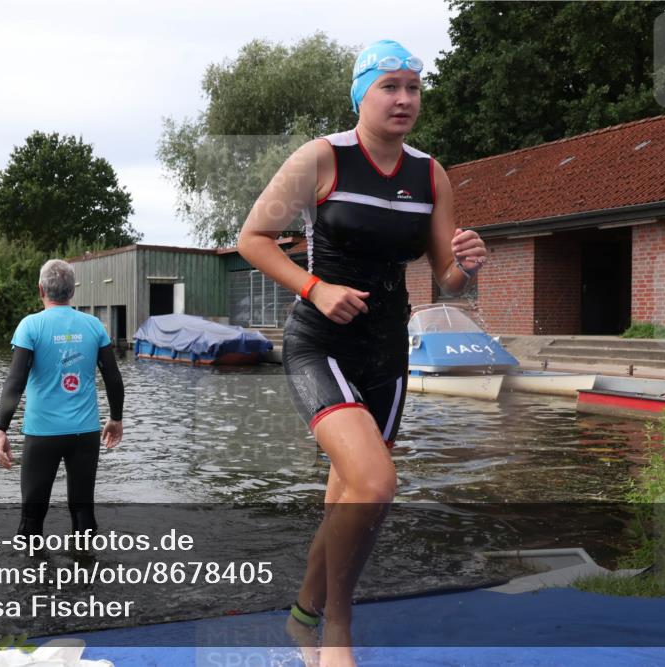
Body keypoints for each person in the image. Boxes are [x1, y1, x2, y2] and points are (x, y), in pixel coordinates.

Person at [236, 40, 486, 667]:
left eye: (413, 88)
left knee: (350, 493)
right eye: (389, 87)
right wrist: (315, 289)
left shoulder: (430, 174)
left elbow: (447, 276)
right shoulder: (321, 157)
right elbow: (252, 239)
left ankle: (301, 616)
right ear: (361, 94)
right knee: (375, 484)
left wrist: (470, 267)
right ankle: (335, 632)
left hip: (386, 353)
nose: (404, 100)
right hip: (320, 343)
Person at [0, 259, 125, 537]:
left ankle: (32, 577)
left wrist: (1, 429)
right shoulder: (94, 326)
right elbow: (113, 377)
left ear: (41, 289)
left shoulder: (30, 326)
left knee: (32, 517)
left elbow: (15, 382)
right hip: (85, 434)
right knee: (83, 512)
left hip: (42, 434)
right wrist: (115, 418)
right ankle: (85, 573)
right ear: (72, 291)